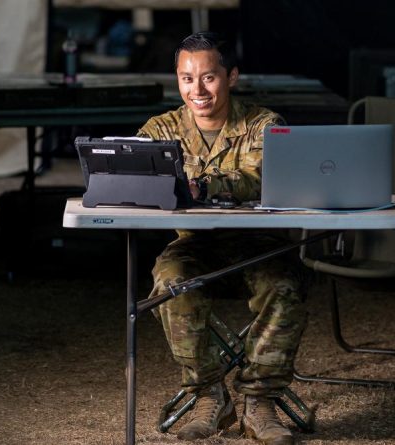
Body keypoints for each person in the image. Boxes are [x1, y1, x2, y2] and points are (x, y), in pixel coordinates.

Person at [136, 32, 307, 445]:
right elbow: (136, 173)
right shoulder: (161, 129)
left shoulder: (265, 124)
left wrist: (201, 186)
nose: (197, 90)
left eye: (209, 78)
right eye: (186, 78)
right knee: (171, 282)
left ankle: (260, 400)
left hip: (259, 245)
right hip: (194, 245)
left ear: (231, 76)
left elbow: (260, 175)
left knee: (286, 284)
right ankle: (209, 395)